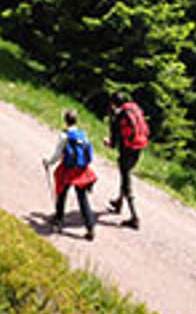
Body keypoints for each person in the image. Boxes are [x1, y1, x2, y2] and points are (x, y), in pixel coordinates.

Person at [43, 110, 96, 241]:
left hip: (68, 170)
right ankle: (90, 228)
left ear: (65, 121)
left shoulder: (65, 136)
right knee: (83, 199)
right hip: (81, 170)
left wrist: (48, 163)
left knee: (61, 194)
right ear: (76, 121)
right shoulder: (82, 135)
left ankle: (58, 221)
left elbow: (58, 154)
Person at [104, 91, 150, 229]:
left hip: (127, 151)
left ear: (113, 103)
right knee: (125, 176)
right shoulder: (133, 108)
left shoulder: (117, 118)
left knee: (126, 181)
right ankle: (119, 202)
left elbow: (113, 144)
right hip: (139, 148)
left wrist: (107, 142)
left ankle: (135, 218)